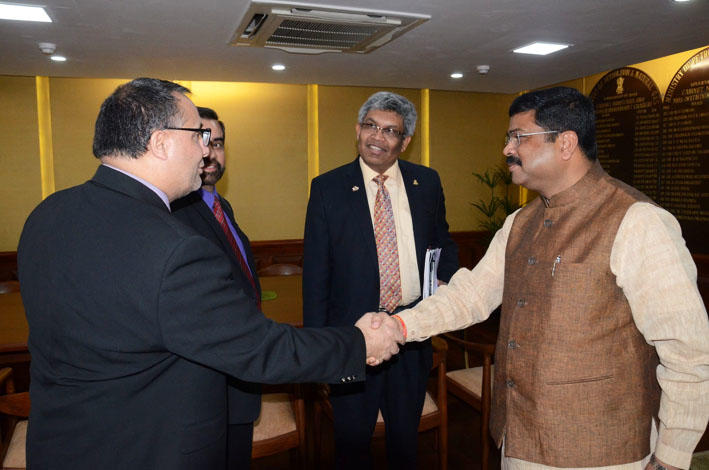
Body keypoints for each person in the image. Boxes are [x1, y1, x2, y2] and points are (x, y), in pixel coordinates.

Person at [17, 77, 402, 469]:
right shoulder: (173, 248)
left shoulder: (48, 214)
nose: (206, 151)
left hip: (62, 446)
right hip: (148, 449)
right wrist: (358, 345)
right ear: (160, 142)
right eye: (198, 135)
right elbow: (258, 348)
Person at [386, 86, 709, 470]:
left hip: (602, 450)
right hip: (519, 438)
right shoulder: (520, 222)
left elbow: (689, 354)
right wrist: (399, 326)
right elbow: (471, 295)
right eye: (508, 138)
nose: (507, 149)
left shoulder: (638, 221)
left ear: (566, 143)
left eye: (518, 137)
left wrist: (671, 457)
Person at [303, 91, 458, 469]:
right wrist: (321, 349)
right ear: (357, 130)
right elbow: (316, 272)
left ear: (405, 142)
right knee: (352, 440)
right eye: (371, 126)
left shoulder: (427, 183)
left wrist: (449, 303)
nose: (378, 136)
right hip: (353, 336)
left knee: (405, 440)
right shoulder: (328, 188)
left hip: (410, 332)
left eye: (391, 131)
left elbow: (443, 247)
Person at [171, 107, 261, 468]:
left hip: (237, 373)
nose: (210, 152)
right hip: (206, 385)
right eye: (201, 140)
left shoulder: (222, 207)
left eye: (218, 143)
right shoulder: (173, 215)